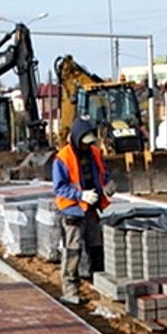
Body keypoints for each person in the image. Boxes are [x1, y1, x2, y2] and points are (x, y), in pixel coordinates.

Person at [52, 118, 115, 305]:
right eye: (84, 143)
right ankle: (70, 289)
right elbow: (59, 187)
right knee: (73, 250)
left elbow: (104, 173)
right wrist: (80, 195)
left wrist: (108, 184)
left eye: (90, 143)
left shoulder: (95, 152)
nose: (87, 147)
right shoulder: (63, 158)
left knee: (96, 247)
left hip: (92, 208)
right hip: (73, 209)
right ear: (77, 139)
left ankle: (98, 284)